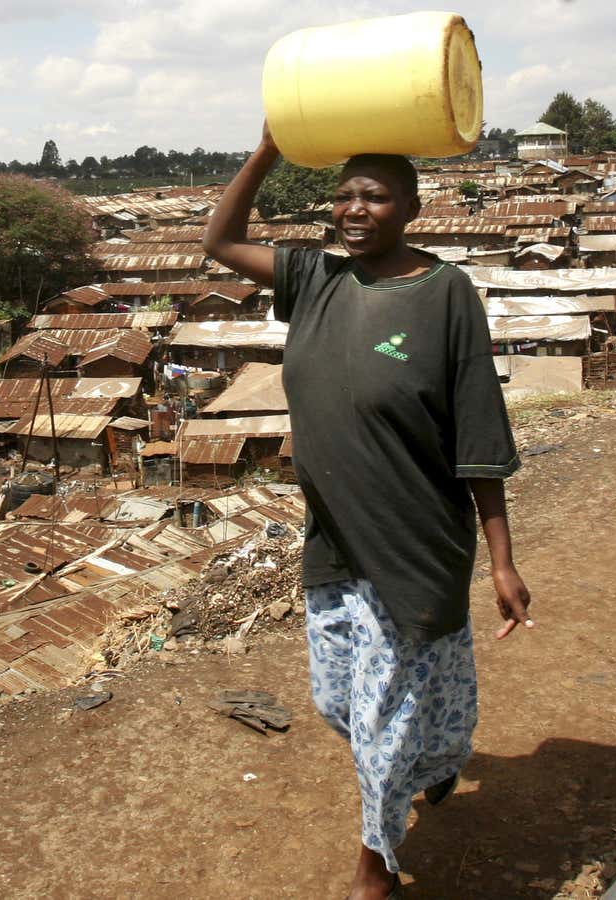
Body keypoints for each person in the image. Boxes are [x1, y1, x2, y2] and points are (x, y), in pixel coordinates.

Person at [204, 124, 534, 898]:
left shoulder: (445, 292)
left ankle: (377, 863)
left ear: (411, 207)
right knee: (336, 699)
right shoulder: (314, 277)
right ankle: (440, 760)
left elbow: (480, 432)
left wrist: (504, 559)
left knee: (383, 713)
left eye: (376, 195)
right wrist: (267, 151)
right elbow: (220, 240)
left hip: (415, 539)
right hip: (334, 537)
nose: (356, 208)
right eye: (346, 193)